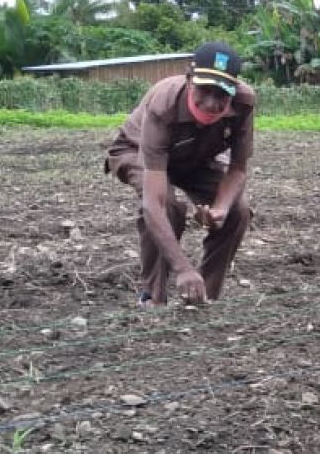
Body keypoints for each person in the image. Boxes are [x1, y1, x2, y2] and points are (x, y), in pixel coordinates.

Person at [105, 41, 256, 305]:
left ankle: (202, 296)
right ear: (189, 80)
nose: (211, 103)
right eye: (204, 90)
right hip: (138, 151)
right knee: (168, 208)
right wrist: (183, 268)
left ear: (233, 91)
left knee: (237, 210)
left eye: (221, 94)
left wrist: (219, 209)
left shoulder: (243, 104)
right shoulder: (164, 104)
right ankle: (153, 298)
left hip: (196, 156)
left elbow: (238, 168)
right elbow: (154, 203)